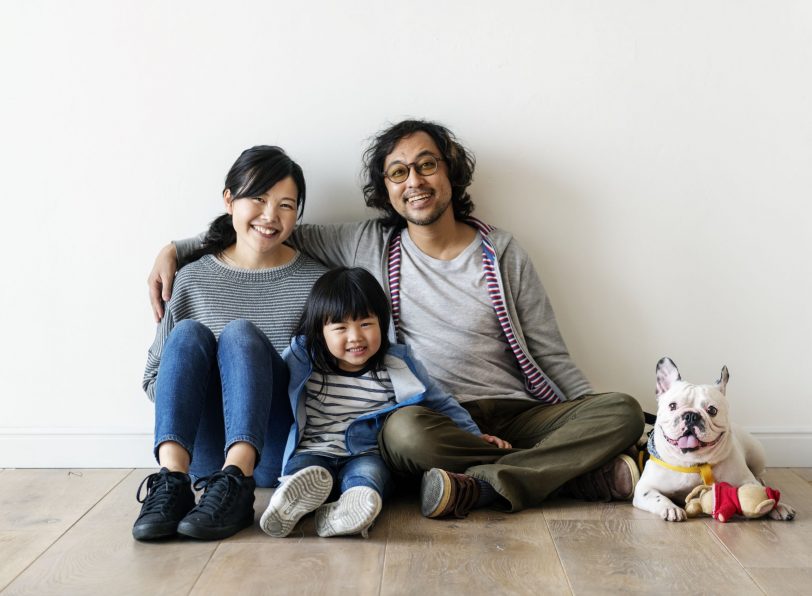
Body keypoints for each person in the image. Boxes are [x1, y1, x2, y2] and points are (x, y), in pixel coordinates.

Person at [148, 120, 645, 518]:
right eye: (399, 172)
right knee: (406, 435)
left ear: (450, 173)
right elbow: (260, 231)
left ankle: (489, 486)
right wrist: (178, 248)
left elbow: (550, 353)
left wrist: (593, 419)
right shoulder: (365, 244)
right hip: (423, 419)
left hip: (516, 413)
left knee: (621, 410)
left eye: (427, 165)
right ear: (385, 190)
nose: (416, 182)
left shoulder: (503, 251)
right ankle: (566, 476)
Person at [134, 146, 326, 541]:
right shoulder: (190, 279)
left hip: (272, 451)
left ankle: (238, 480)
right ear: (229, 200)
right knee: (188, 334)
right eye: (258, 198)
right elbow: (154, 378)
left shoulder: (316, 283)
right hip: (201, 457)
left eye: (286, 205)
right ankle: (170, 481)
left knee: (240, 334)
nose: (270, 216)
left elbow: (327, 384)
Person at [259, 267, 505, 538]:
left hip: (369, 452)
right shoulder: (303, 359)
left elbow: (442, 402)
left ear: (382, 322)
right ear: (320, 332)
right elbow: (270, 393)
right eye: (340, 328)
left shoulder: (397, 364)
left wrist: (473, 436)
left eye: (366, 324)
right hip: (316, 449)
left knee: (369, 476)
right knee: (305, 472)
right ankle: (288, 501)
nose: (355, 337)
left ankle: (352, 508)